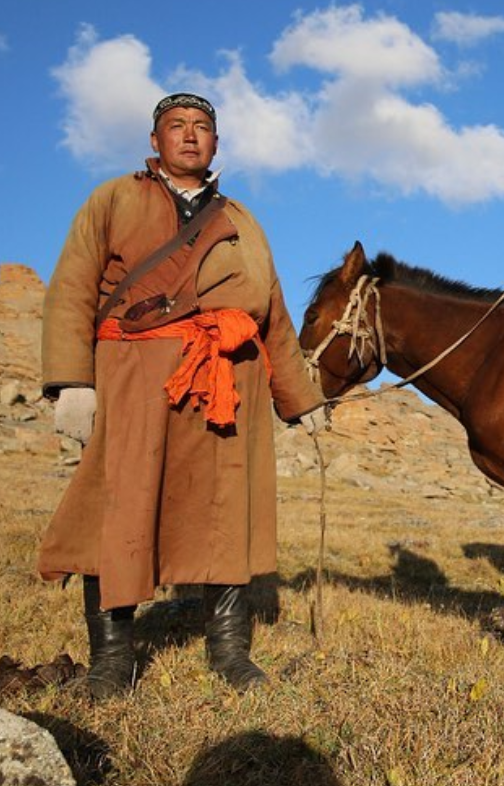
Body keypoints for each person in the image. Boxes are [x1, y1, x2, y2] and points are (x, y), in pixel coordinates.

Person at [38, 92, 328, 698]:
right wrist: (73, 381)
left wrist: (300, 398)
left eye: (202, 128)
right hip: (134, 374)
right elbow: (72, 286)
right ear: (155, 141)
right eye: (176, 126)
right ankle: (113, 659)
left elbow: (271, 311)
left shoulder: (244, 220)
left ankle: (230, 652)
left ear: (217, 144)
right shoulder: (113, 198)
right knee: (119, 508)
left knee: (225, 509)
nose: (190, 136)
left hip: (228, 381)